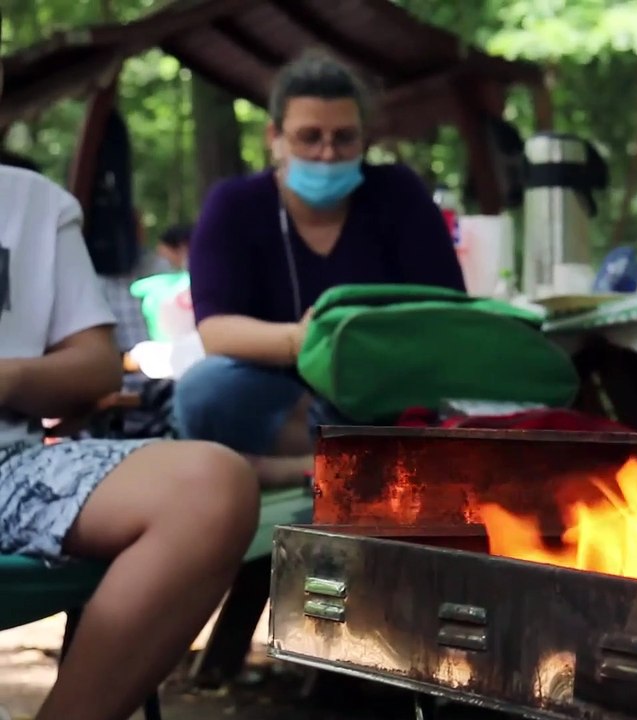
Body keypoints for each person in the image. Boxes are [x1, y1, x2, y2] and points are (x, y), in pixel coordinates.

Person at [0, 64, 259, 720]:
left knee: (213, 485)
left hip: (13, 470)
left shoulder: (31, 202)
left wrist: (8, 377)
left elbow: (94, 367)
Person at [174, 49, 465, 485]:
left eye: (344, 137)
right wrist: (301, 341)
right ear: (274, 137)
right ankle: (351, 458)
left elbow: (450, 313)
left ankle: (305, 465)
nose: (328, 153)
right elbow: (215, 331)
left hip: (387, 386)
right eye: (309, 137)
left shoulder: (399, 194)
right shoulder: (234, 205)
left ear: (365, 139)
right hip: (284, 398)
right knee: (204, 390)